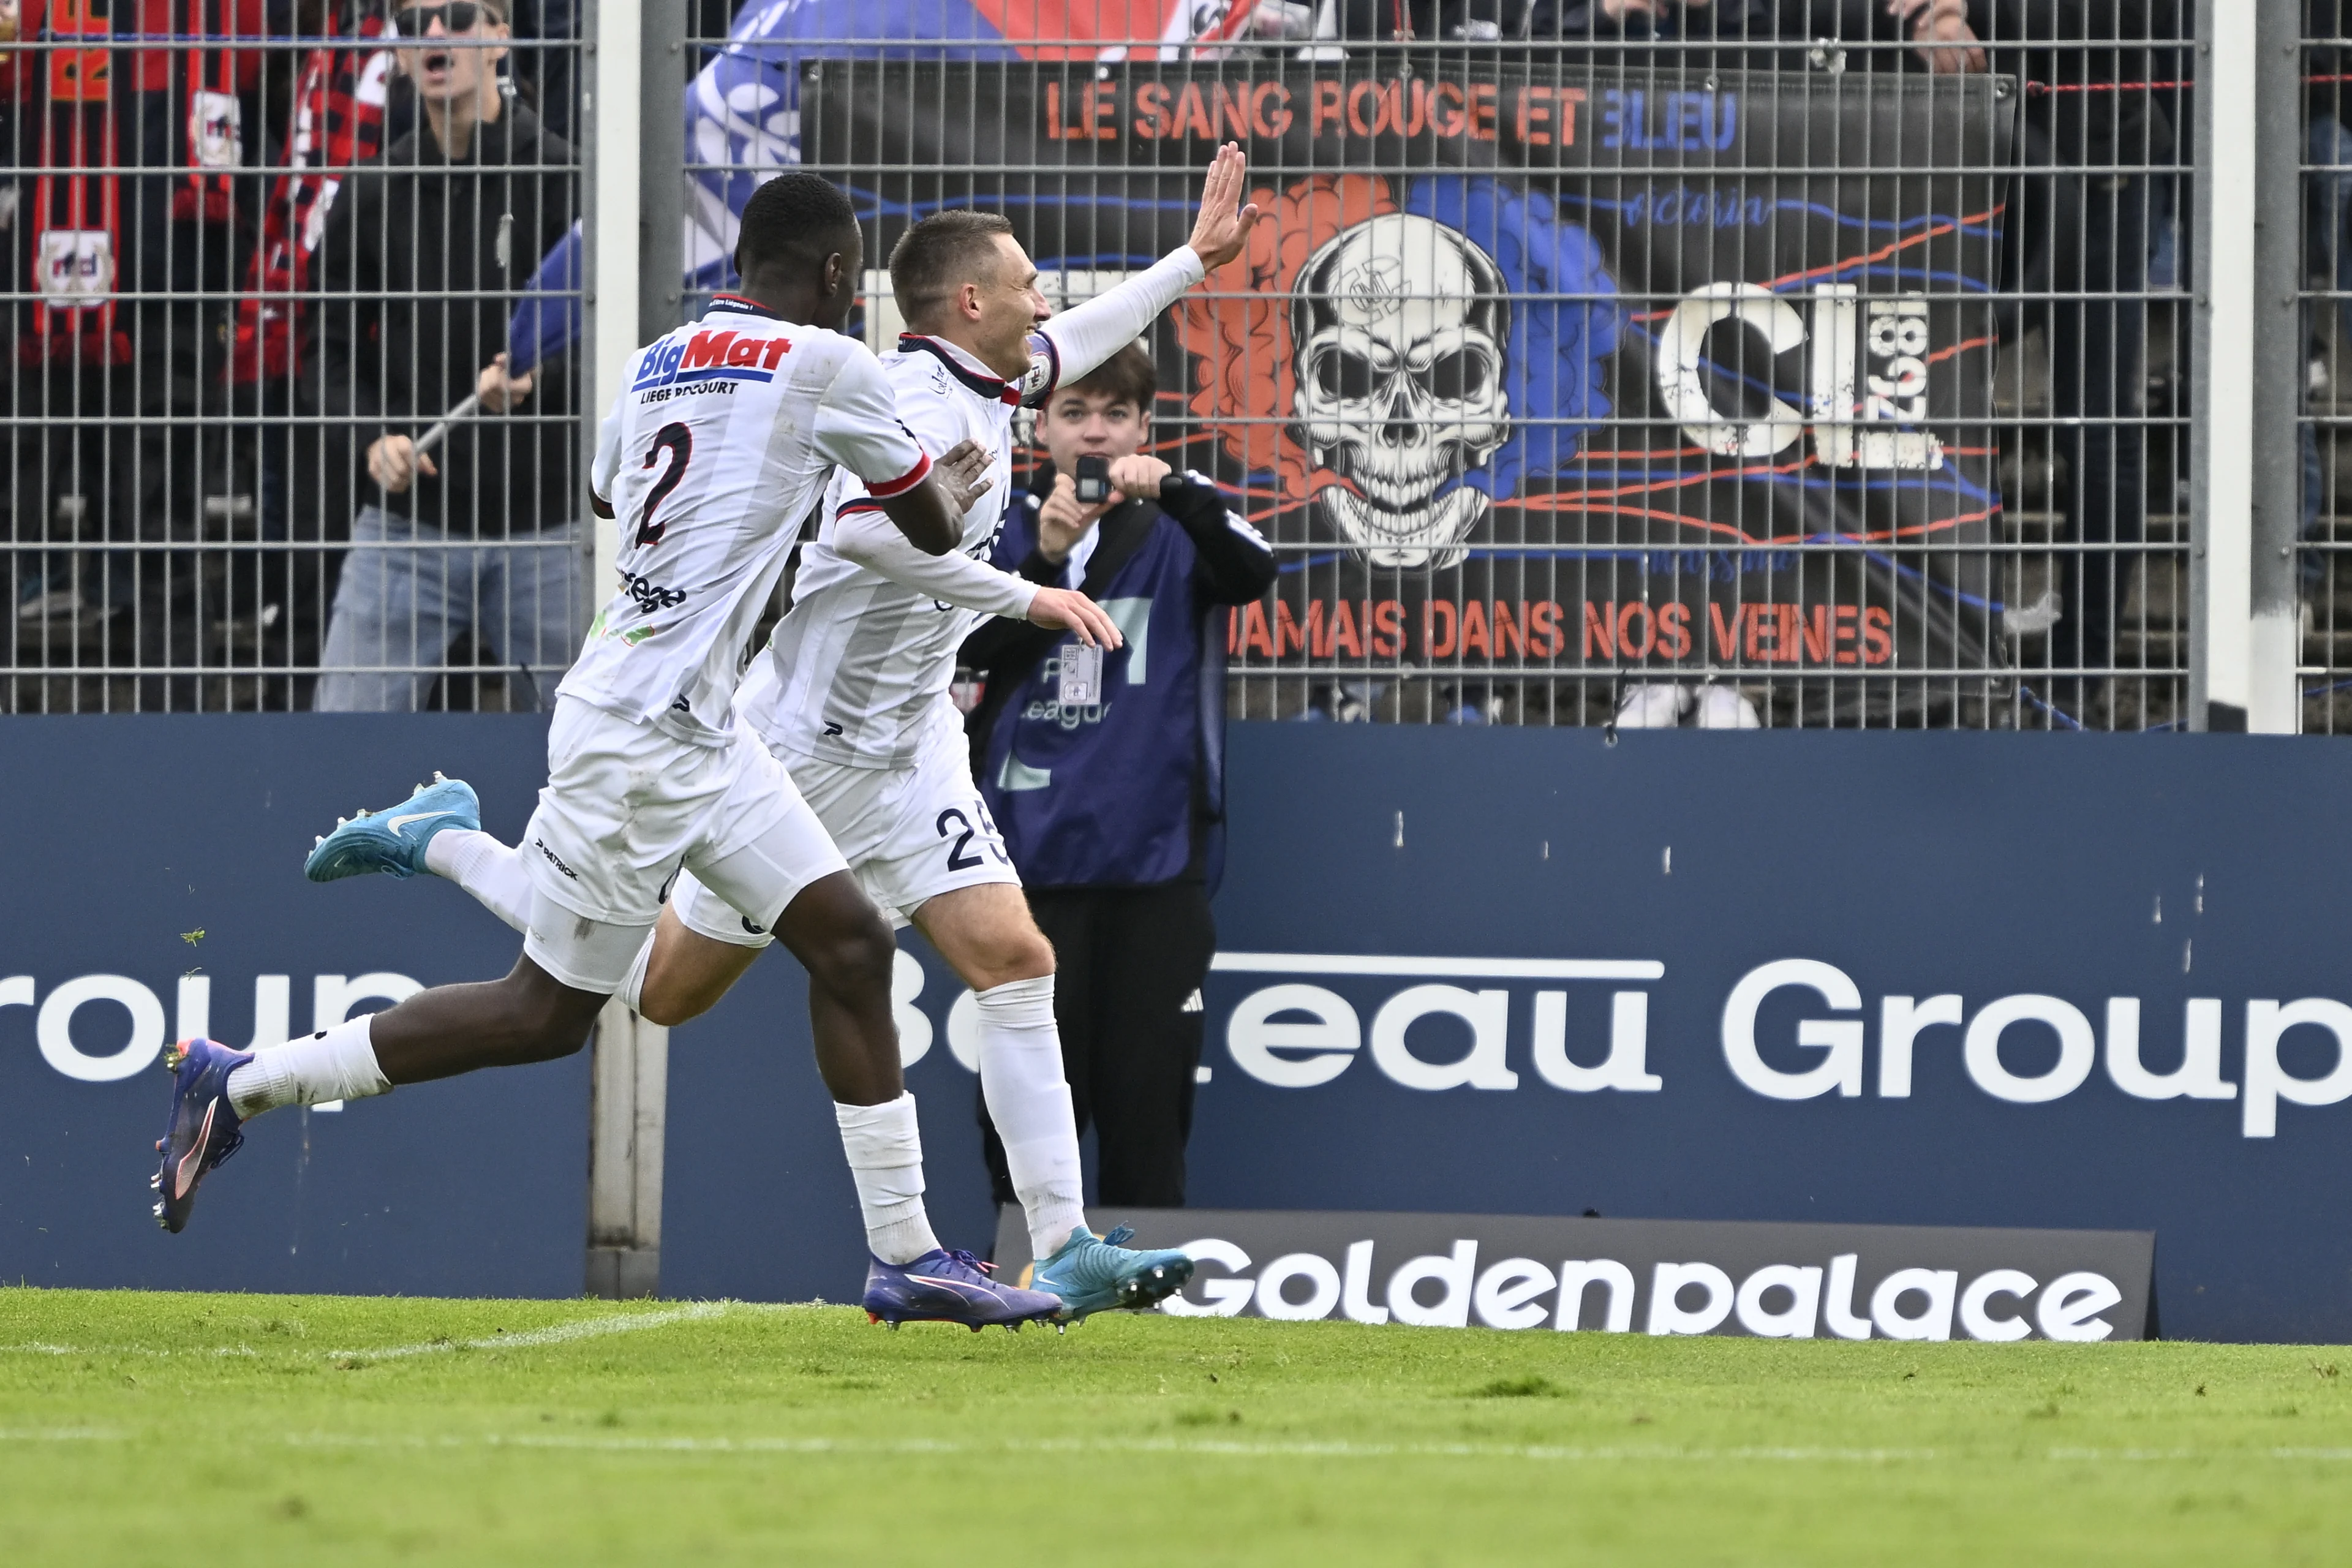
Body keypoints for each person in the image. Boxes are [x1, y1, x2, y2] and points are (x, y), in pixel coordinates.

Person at [154, 173, 1077, 1332]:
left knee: (847, 942)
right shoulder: (829, 366)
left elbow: (605, 493)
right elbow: (929, 522)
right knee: (544, 1015)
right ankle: (242, 1079)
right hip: (643, 736)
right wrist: (942, 479)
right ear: (842, 278)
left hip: (695, 720)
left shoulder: (657, 359)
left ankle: (908, 1257)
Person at [390, 147, 1265, 1321]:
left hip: (908, 748)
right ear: (970, 303)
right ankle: (451, 842)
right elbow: (859, 536)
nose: (1045, 302)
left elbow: (1094, 330)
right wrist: (1018, 591)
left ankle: (1061, 1244)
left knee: (1015, 959)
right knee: (659, 990)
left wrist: (1192, 262)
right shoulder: (899, 396)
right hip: (796, 747)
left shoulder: (1000, 376)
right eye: (1026, 285)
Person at [959, 343, 1277, 1211]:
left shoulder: (1182, 522)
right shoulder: (1002, 531)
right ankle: (1024, 1278)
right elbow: (962, 651)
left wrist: (1171, 487)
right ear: (1041, 430)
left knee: (1147, 1103)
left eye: (1113, 415)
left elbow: (1254, 572)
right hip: (1024, 868)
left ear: (1144, 426)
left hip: (1155, 866)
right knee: (1028, 1106)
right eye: (1074, 415)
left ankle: (1139, 1312)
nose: (1094, 433)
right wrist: (1047, 568)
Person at [309, 0, 581, 712]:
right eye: (413, 24)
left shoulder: (563, 177)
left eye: (457, 16)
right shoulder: (370, 191)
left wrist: (536, 376)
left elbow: (612, 342)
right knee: (340, 747)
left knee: (606, 759)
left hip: (547, 528)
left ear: (501, 39)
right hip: (408, 525)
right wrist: (371, 438)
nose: (434, 35)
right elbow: (327, 352)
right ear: (398, 57)